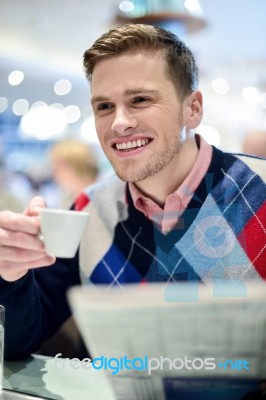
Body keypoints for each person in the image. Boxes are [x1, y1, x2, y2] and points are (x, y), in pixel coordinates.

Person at [0, 24, 265, 361]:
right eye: (104, 107)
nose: (119, 123)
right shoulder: (86, 211)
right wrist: (11, 274)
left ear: (193, 109)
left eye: (140, 100)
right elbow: (22, 339)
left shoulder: (259, 192)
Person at [49, 139, 99, 208]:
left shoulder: (101, 199)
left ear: (76, 165)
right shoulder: (68, 196)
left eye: (59, 165)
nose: (54, 171)